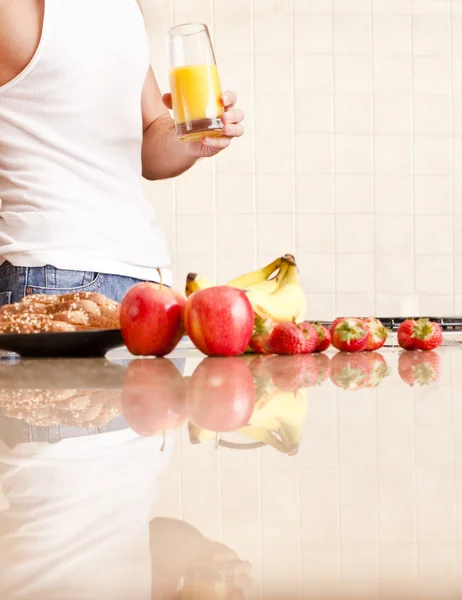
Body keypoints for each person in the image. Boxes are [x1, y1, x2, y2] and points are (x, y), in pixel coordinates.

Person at [0, 0, 244, 305]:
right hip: (51, 268)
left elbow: (151, 130)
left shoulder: (125, 4)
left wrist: (191, 141)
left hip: (147, 277)